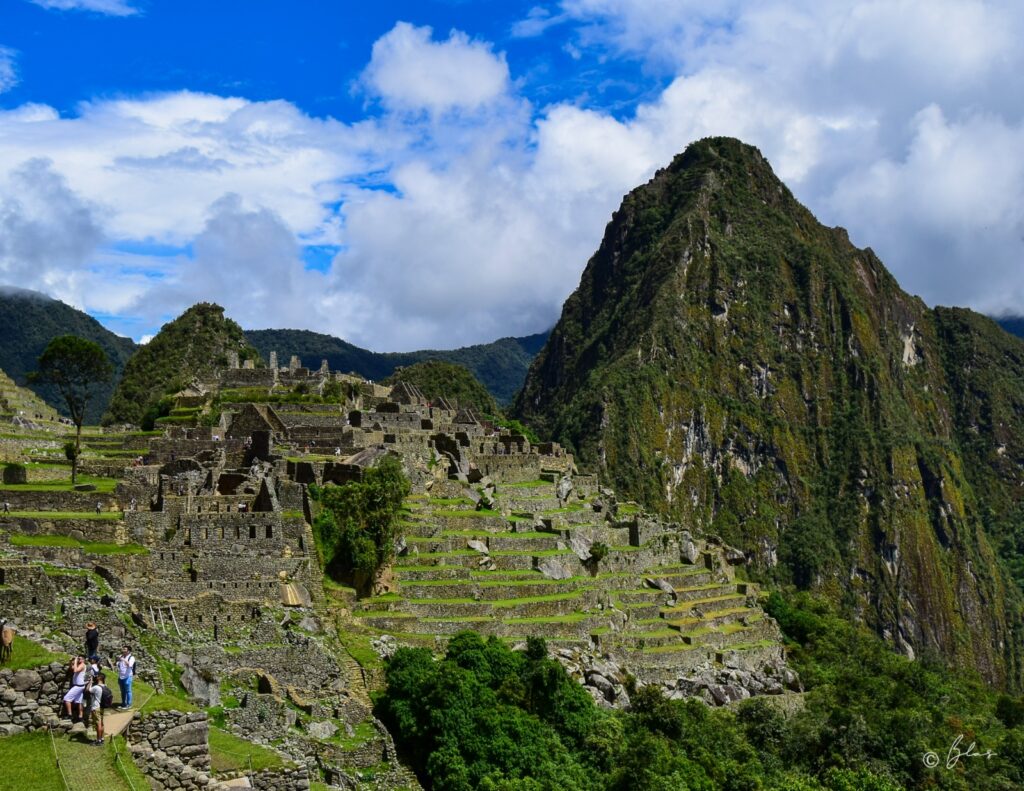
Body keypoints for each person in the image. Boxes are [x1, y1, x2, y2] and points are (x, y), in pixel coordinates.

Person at [86, 672, 109, 745]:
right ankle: (101, 739)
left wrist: (90, 682)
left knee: (98, 724)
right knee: (101, 723)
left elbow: (87, 690)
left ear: (99, 678)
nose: (96, 677)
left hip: (96, 707)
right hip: (102, 707)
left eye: (97, 676)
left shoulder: (96, 687)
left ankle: (98, 741)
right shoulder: (105, 686)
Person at [62, 656, 88, 721]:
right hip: (79, 686)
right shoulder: (79, 665)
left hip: (78, 686)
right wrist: (71, 662)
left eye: (80, 659)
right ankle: (80, 717)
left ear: (84, 660)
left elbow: (75, 670)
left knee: (67, 698)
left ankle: (70, 715)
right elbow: (72, 668)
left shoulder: (82, 665)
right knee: (79, 701)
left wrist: (75, 661)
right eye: (78, 658)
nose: (79, 660)